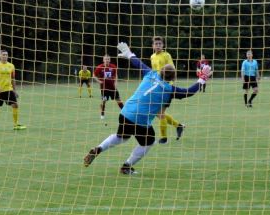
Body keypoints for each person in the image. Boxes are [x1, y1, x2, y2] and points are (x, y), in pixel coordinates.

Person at [83, 42, 212, 175]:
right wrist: (202, 79)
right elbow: (188, 92)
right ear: (172, 78)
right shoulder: (169, 89)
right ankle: (126, 167)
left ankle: (98, 148)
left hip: (126, 112)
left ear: (160, 72)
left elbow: (137, 63)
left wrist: (129, 54)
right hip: (140, 119)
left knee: (121, 136)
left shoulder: (150, 74)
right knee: (148, 142)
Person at [151, 36, 185, 143]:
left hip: (165, 87)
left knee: (160, 113)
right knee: (157, 112)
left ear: (163, 45)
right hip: (156, 87)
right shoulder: (152, 57)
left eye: (160, 44)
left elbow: (172, 69)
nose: (158, 46)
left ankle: (164, 138)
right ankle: (178, 126)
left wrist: (170, 84)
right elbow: (154, 72)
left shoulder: (166, 55)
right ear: (153, 46)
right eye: (156, 44)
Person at [0, 49, 25, 132]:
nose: (5, 56)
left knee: (15, 105)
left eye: (6, 54)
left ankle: (15, 125)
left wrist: (15, 91)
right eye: (3, 54)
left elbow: (13, 79)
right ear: (0, 56)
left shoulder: (11, 66)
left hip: (9, 89)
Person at [94, 55, 124, 120]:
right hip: (104, 88)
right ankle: (102, 114)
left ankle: (124, 113)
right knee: (104, 101)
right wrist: (99, 81)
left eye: (108, 59)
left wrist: (116, 82)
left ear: (110, 60)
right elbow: (94, 75)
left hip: (112, 87)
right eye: (105, 59)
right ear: (103, 60)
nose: (107, 60)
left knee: (118, 100)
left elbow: (116, 75)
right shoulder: (99, 67)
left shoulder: (113, 66)